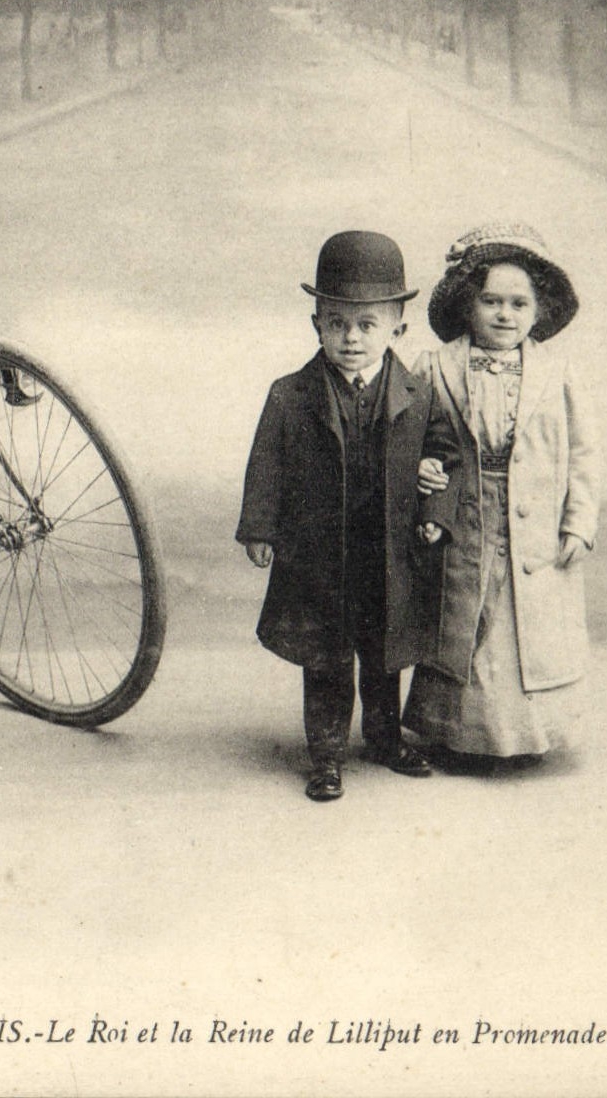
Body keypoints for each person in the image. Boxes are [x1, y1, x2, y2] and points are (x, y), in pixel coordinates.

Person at [235, 231, 446, 802]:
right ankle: (326, 756)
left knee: (384, 655)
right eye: (336, 323)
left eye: (367, 324)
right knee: (326, 659)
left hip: (388, 553)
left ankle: (383, 738)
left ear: (398, 329)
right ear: (316, 325)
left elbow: (445, 457)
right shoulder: (289, 395)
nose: (351, 338)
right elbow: (266, 464)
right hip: (321, 555)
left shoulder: (420, 394)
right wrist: (259, 528)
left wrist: (435, 510)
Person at [404, 223, 599, 768]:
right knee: (468, 618)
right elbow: (412, 438)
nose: (504, 315)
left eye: (519, 303)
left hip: (534, 524)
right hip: (465, 517)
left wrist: (579, 521)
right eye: (491, 301)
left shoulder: (557, 374)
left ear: (538, 311)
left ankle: (528, 736)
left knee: (524, 627)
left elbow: (584, 453)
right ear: (469, 306)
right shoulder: (435, 366)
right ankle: (460, 736)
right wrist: (423, 468)